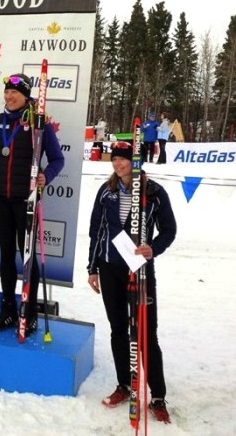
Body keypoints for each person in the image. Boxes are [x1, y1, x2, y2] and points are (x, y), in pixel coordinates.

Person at [87, 141, 177, 424]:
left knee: (147, 333)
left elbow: (169, 230)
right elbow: (96, 230)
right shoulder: (106, 191)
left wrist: (154, 247)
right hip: (109, 267)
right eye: (114, 160)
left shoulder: (154, 192)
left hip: (139, 270)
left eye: (123, 160)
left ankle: (158, 396)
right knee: (118, 329)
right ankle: (124, 385)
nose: (118, 164)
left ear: (135, 162)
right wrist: (92, 268)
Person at [0, 74, 64, 335]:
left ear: (26, 95)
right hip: (1, 200)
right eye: (6, 92)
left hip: (26, 201)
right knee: (6, 254)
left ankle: (28, 310)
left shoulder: (39, 124)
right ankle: (7, 309)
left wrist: (45, 176)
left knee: (27, 258)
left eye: (14, 92)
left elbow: (58, 160)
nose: (9, 97)